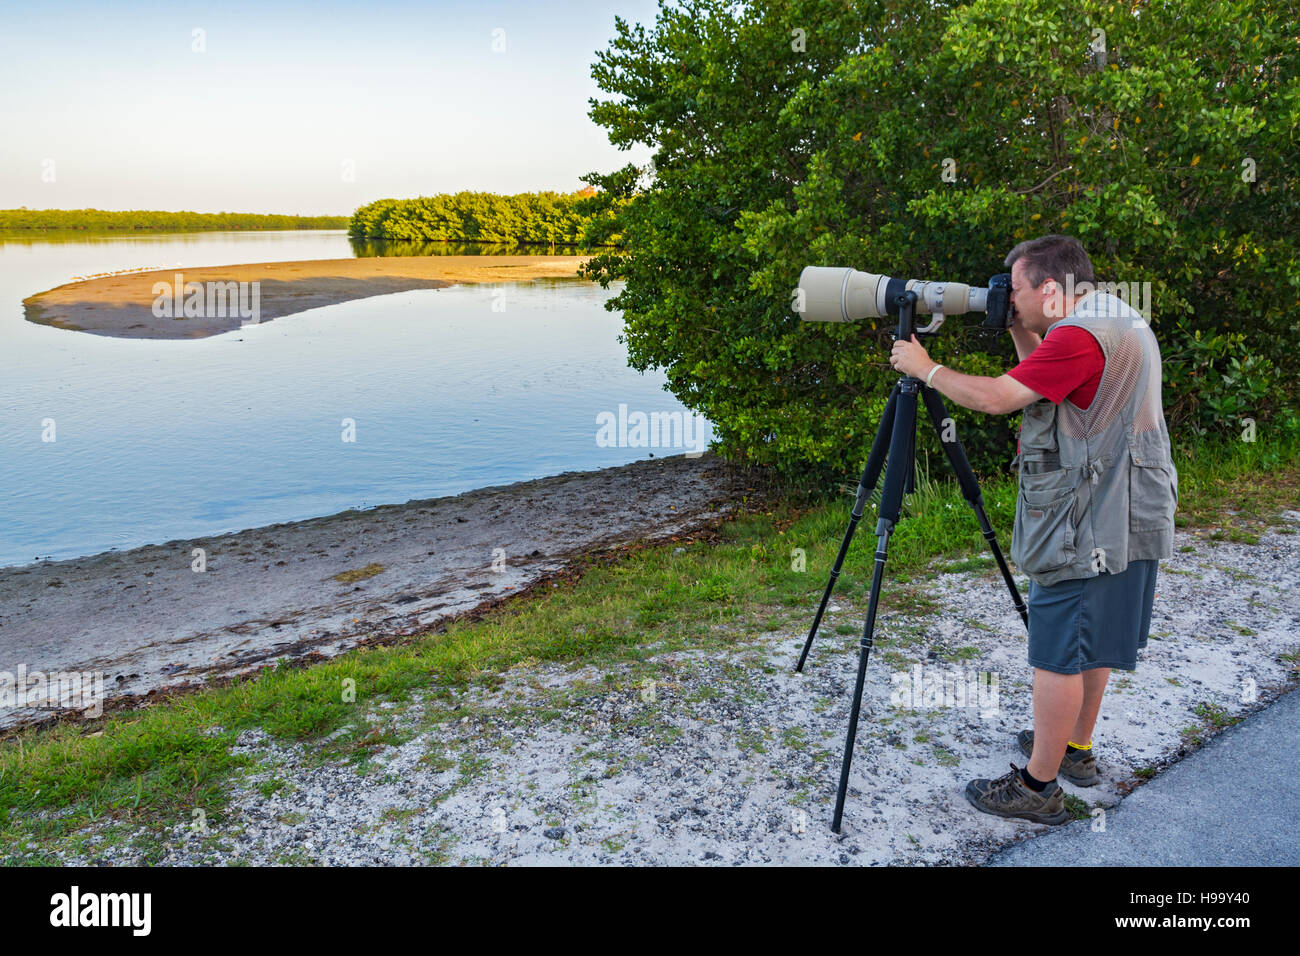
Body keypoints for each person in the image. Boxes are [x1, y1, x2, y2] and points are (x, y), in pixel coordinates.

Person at [888, 234, 1178, 825]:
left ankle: (1037, 787)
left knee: (1057, 654)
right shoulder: (1113, 314)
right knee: (1090, 638)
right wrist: (1018, 326)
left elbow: (998, 398)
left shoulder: (1077, 339)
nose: (1006, 297)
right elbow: (1043, 375)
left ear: (1050, 289)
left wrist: (927, 366)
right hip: (1130, 508)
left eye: (1014, 290)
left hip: (1084, 520)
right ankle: (1074, 751)